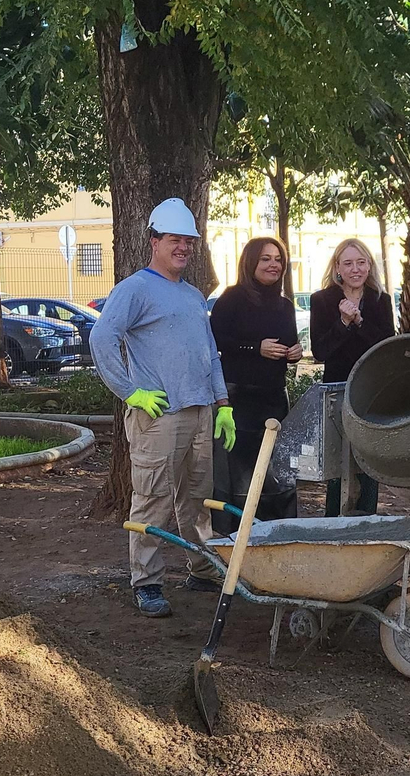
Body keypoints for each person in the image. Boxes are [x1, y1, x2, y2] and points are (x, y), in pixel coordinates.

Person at [90, 198, 236, 618]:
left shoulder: (192, 296)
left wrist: (222, 403)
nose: (183, 248)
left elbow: (209, 353)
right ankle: (147, 582)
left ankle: (201, 569)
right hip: (158, 416)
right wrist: (130, 392)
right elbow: (102, 339)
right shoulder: (134, 289)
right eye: (175, 240)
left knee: (198, 499)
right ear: (154, 241)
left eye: (188, 242)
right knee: (152, 497)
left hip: (200, 411)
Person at [208, 237, 303, 535]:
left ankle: (276, 535)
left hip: (274, 399)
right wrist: (254, 348)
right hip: (238, 399)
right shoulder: (231, 299)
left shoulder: (285, 306)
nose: (273, 264)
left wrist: (294, 353)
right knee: (240, 477)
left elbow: (287, 345)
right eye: (265, 258)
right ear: (250, 263)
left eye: (278, 259)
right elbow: (217, 342)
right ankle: (236, 539)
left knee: (277, 473)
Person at [310, 238, 396, 517]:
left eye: (361, 262)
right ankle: (333, 522)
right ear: (337, 268)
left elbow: (386, 346)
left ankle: (366, 520)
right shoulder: (322, 300)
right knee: (338, 462)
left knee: (369, 461)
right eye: (348, 263)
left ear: (370, 266)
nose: (355, 269)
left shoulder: (381, 300)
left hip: (372, 391)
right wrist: (343, 323)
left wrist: (359, 322)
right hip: (336, 391)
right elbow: (321, 350)